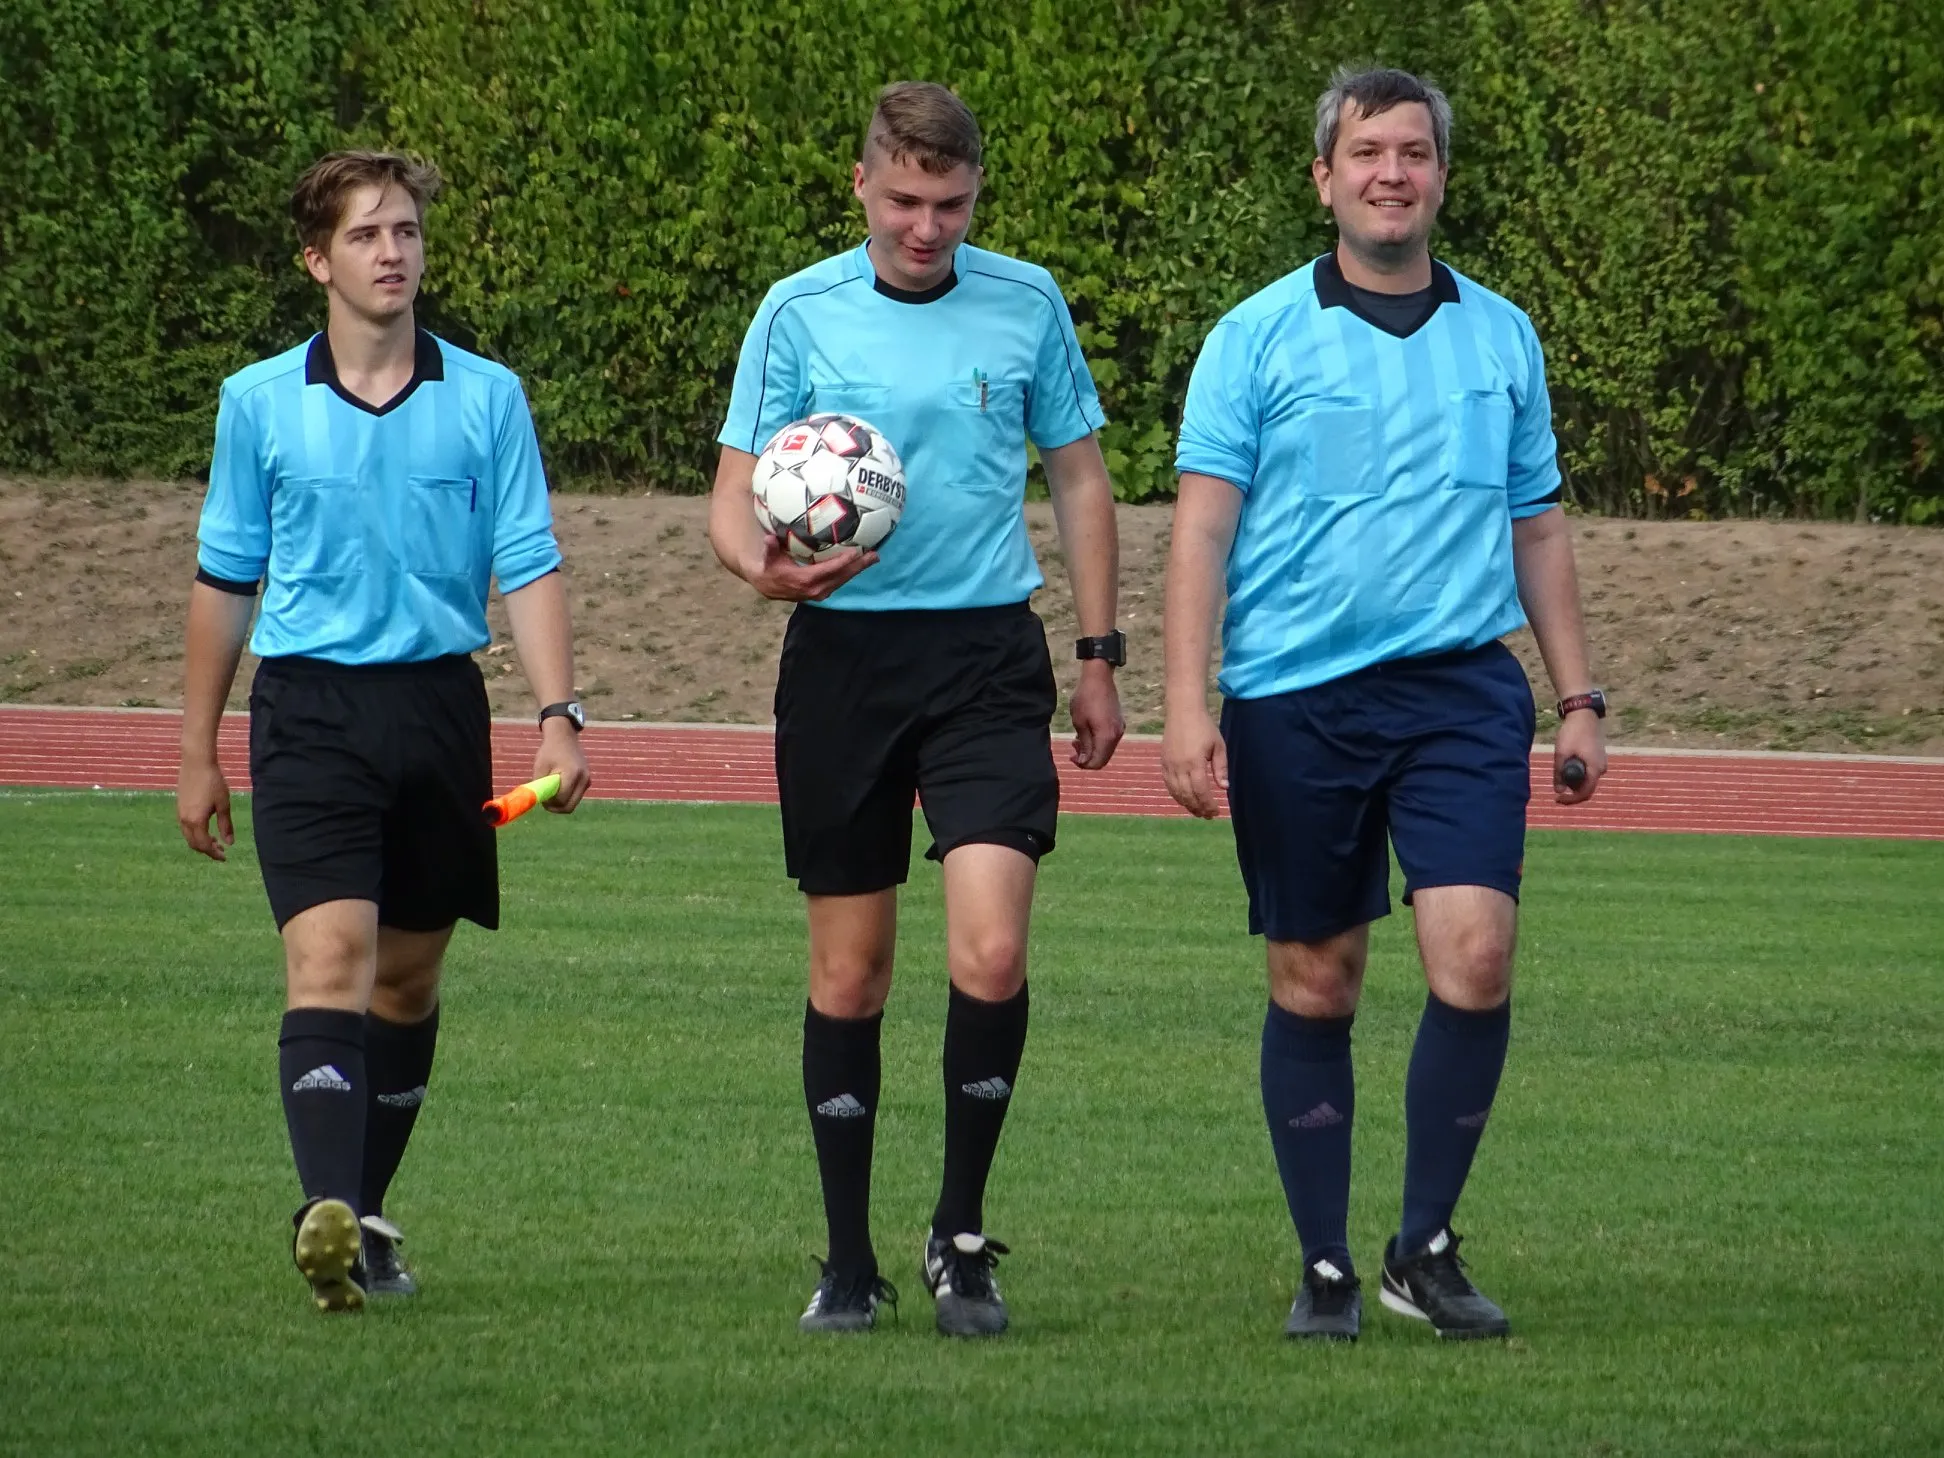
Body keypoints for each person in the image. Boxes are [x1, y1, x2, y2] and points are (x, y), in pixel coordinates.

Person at [1162, 67, 1607, 1342]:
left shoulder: (1502, 336)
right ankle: (1325, 1267)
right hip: (1294, 696)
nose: (1391, 174)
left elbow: (1537, 524)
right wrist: (1184, 704)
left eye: (1414, 152)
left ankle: (1424, 1247)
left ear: (1441, 177)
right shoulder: (1255, 336)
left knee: (1476, 956)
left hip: (1460, 690)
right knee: (1319, 980)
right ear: (1325, 178)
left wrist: (1577, 694)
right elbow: (1200, 533)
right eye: (1367, 153)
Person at [708, 82, 1126, 1338]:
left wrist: (1098, 654)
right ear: (861, 185)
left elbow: (1080, 477)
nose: (926, 228)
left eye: (950, 205)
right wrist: (759, 570)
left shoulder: (1028, 301)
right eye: (903, 201)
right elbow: (732, 494)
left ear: (976, 194)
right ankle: (848, 1261)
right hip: (843, 662)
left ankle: (960, 1236)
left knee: (991, 952)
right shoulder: (797, 310)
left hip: (987, 657)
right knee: (852, 973)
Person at [175, 150, 591, 1313]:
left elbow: (528, 561)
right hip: (309, 711)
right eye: (364, 235)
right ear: (317, 260)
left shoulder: (488, 397)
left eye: (405, 231)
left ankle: (357, 1218)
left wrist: (559, 717)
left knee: (406, 982)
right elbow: (225, 581)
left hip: (440, 710)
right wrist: (196, 749)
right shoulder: (259, 401)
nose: (392, 252)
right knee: (329, 961)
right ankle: (325, 1210)